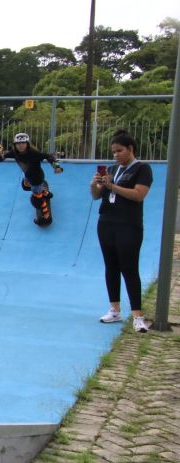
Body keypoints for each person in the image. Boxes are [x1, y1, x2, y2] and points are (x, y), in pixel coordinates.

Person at [90, 129, 153, 333]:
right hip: (107, 222)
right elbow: (96, 196)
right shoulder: (112, 169)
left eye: (119, 151)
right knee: (111, 266)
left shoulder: (142, 169)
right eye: (113, 152)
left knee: (129, 267)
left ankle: (137, 315)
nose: (115, 155)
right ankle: (114, 309)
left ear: (130, 149)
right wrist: (96, 185)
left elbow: (138, 195)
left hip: (129, 224)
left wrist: (113, 186)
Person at [0, 132, 64, 225]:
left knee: (36, 200)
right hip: (28, 177)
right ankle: (45, 193)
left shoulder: (34, 153)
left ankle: (46, 217)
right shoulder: (14, 153)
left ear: (27, 144)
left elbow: (49, 156)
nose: (21, 146)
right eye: (18, 144)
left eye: (23, 143)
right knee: (25, 186)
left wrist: (57, 166)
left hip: (36, 179)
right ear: (15, 145)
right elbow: (0, 158)